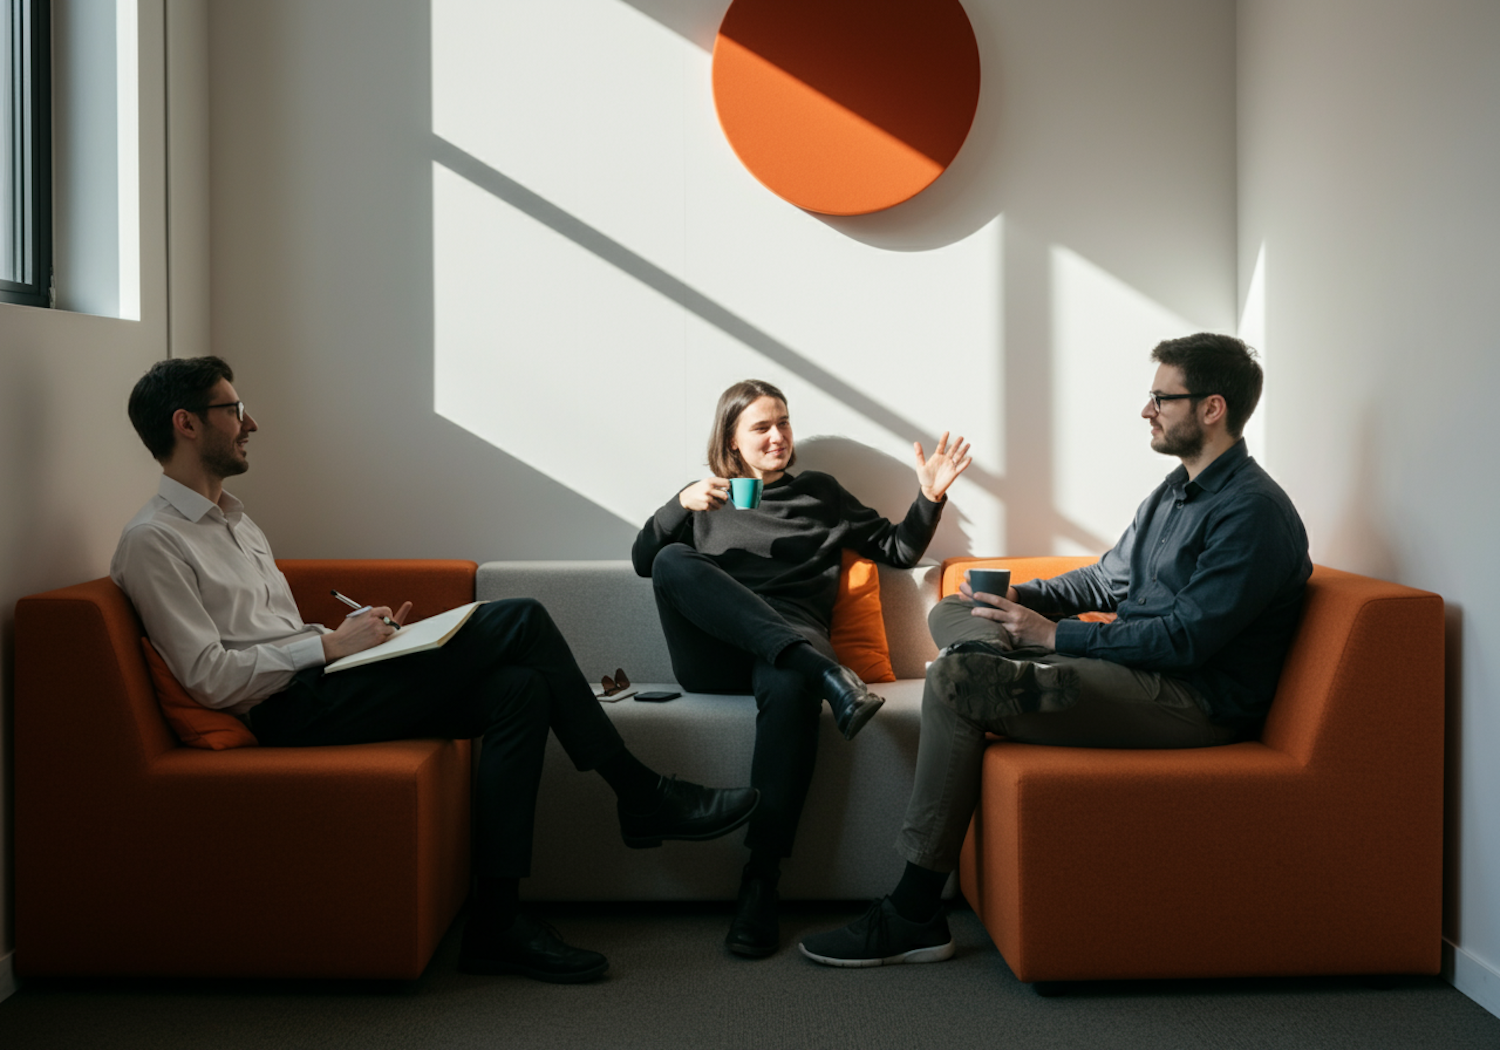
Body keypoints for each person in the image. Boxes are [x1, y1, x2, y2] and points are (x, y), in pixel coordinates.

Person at [112, 356, 760, 985]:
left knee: (520, 690)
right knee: (523, 618)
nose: (250, 423)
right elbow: (208, 678)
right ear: (187, 424)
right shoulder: (154, 542)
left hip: (320, 683)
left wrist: (352, 636)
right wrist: (331, 649)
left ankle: (497, 925)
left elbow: (272, 634)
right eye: (234, 409)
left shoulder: (238, 520)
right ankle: (642, 796)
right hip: (284, 711)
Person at [800, 332, 1312, 967]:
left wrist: (1051, 635)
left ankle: (912, 913)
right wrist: (1018, 599)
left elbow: (1186, 640)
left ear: (1212, 408)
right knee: (956, 604)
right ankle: (988, 657)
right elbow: (1103, 580)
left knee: (958, 684)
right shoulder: (1174, 493)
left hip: (1189, 701)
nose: (1146, 410)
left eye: (1161, 398)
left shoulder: (1253, 512)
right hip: (1127, 671)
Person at [631, 379, 973, 958]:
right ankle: (824, 676)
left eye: (784, 422)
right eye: (761, 427)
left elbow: (896, 552)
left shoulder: (820, 493)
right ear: (732, 441)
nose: (778, 436)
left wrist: (929, 498)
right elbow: (645, 564)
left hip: (791, 643)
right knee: (670, 559)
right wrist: (678, 504)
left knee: (789, 680)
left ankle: (760, 880)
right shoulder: (704, 499)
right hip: (715, 651)